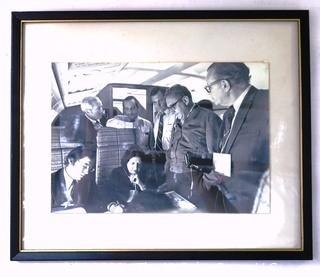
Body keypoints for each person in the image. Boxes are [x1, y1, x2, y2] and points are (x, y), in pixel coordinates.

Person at [201, 62, 269, 213]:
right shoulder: (228, 115)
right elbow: (226, 151)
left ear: (224, 85)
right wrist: (217, 173)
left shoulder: (268, 102)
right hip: (226, 196)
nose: (209, 92)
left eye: (209, 87)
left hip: (252, 205)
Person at [159, 84, 222, 203]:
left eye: (173, 106)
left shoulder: (208, 118)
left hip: (197, 180)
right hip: (175, 179)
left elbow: (218, 159)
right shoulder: (177, 122)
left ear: (185, 100)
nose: (171, 112)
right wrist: (168, 178)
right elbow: (172, 152)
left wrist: (204, 186)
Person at [104, 146, 173, 213]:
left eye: (138, 164)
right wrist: (113, 207)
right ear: (126, 162)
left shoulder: (145, 173)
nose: (135, 168)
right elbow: (108, 194)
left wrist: (140, 183)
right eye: (132, 163)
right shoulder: (116, 173)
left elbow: (152, 194)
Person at [51, 146, 96, 212]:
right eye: (85, 166)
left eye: (90, 169)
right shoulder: (51, 181)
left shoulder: (88, 181)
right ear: (71, 161)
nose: (87, 172)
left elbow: (97, 203)